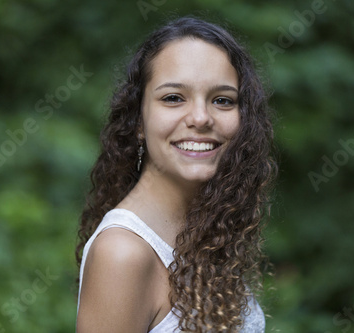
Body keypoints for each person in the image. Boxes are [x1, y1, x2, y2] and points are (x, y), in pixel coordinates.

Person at [75, 16, 276, 333]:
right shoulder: (122, 253)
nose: (200, 117)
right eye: (173, 98)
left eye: (222, 100)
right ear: (138, 121)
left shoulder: (207, 232)